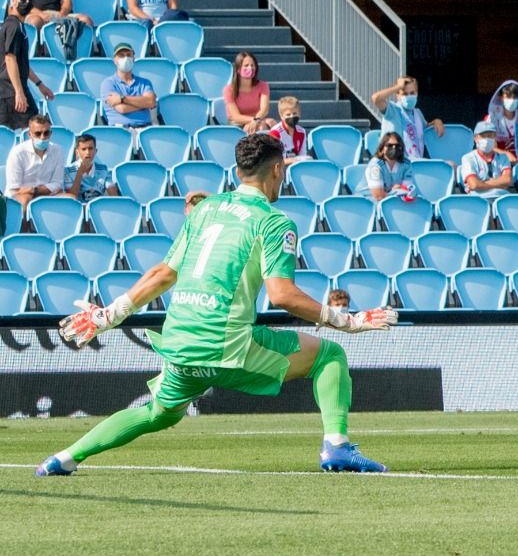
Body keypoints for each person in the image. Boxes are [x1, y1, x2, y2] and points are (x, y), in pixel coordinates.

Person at [36, 133, 399, 479]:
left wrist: (106, 315)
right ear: (276, 170)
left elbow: (163, 274)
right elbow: (281, 295)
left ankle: (64, 458)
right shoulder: (274, 222)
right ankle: (336, 445)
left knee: (157, 414)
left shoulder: (205, 209)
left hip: (180, 344)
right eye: (283, 172)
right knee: (329, 355)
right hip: (228, 345)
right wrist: (346, 320)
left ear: (239, 172)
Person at [0, 0, 49, 130]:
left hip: (12, 89)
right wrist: (19, 92)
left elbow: (22, 63)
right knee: (37, 129)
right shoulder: (13, 26)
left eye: (30, 0)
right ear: (13, 0)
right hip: (9, 91)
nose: (26, 2)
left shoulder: (19, 26)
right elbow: (10, 59)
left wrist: (39, 84)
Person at [371, 76, 446, 161]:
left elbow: (425, 129)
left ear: (417, 93)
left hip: (416, 161)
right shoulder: (393, 110)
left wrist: (437, 121)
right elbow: (376, 98)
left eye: (412, 93)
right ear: (398, 95)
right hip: (396, 162)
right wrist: (398, 87)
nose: (409, 96)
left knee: (451, 165)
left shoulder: (418, 113)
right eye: (405, 94)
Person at [4, 113, 65, 212]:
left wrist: (34, 190)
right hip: (21, 196)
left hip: (46, 194)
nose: (42, 137)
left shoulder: (58, 150)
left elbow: (57, 183)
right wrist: (31, 192)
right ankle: (22, 227)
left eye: (46, 133)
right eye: (38, 133)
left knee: (70, 199)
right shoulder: (18, 153)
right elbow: (14, 188)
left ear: (51, 133)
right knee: (25, 199)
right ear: (30, 134)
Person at [100, 43, 157, 130]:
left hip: (144, 129)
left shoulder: (145, 82)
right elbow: (121, 108)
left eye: (128, 55)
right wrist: (143, 103)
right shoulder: (108, 83)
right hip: (120, 131)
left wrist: (122, 99)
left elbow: (151, 101)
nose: (126, 58)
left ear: (134, 58)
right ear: (115, 60)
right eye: (121, 55)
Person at [461, 119, 514, 197]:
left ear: (495, 138)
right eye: (483, 136)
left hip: (500, 198)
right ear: (475, 138)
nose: (486, 139)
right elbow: (474, 184)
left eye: (490, 136)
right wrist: (499, 183)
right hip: (478, 200)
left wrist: (482, 184)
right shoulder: (468, 158)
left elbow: (507, 180)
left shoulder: (503, 158)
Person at [223, 51, 272, 134]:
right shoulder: (229, 89)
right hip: (238, 123)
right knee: (250, 128)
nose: (250, 68)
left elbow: (264, 109)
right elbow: (235, 116)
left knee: (268, 124)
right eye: (246, 65)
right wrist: (253, 120)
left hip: (258, 120)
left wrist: (256, 120)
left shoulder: (263, 86)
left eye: (252, 65)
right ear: (238, 69)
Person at [64, 134, 116, 203]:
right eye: (84, 149)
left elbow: (114, 196)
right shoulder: (68, 170)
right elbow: (72, 197)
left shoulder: (103, 169)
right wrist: (80, 173)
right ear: (77, 152)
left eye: (90, 148)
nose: (88, 152)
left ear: (96, 151)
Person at [366, 131, 417, 201]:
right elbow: (378, 196)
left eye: (397, 146)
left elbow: (407, 192)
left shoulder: (406, 165)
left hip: (393, 204)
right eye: (389, 145)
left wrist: (399, 191)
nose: (393, 148)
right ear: (382, 148)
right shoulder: (375, 166)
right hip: (370, 202)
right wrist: (394, 192)